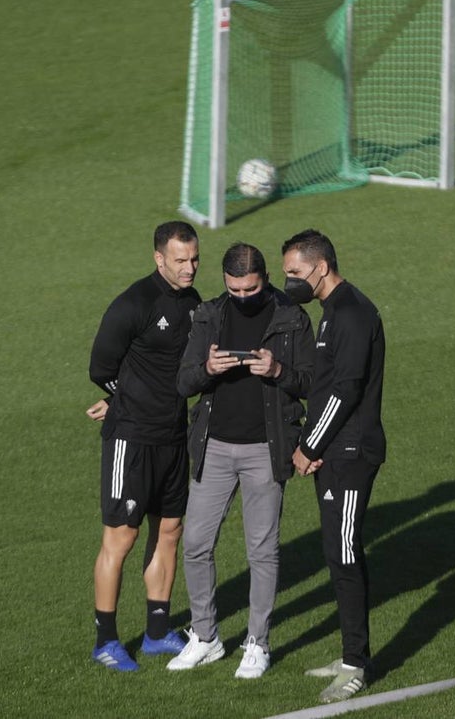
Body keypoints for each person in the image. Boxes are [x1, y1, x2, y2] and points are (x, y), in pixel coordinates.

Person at [170, 243, 315, 678]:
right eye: (234, 290)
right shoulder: (210, 314)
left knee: (263, 550)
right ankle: (206, 636)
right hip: (213, 448)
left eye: (250, 289)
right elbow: (183, 382)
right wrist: (208, 370)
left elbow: (312, 382)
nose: (243, 297)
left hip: (265, 450)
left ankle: (257, 642)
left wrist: (277, 372)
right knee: (195, 544)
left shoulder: (292, 318)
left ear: (266, 279)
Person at [85, 221, 202, 672]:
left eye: (194, 259)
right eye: (180, 260)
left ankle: (156, 633)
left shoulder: (192, 303)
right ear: (159, 259)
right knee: (122, 536)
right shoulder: (132, 304)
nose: (189, 268)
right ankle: (106, 641)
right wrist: (125, 400)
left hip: (174, 438)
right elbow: (102, 367)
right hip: (131, 439)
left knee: (169, 531)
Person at [281, 228, 387, 704]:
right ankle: (350, 655)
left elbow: (345, 389)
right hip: (333, 451)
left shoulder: (352, 313)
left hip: (349, 454)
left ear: (320, 268)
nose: (291, 283)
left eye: (295, 274)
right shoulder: (331, 312)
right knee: (334, 551)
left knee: (344, 554)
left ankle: (357, 666)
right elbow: (323, 387)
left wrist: (310, 445)